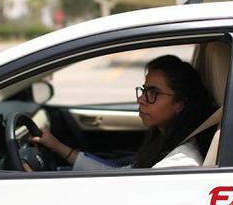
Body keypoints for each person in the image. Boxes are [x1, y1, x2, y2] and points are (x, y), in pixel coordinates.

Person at [29, 54, 216, 170]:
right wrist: (56, 146)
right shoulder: (164, 141)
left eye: (154, 93)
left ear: (180, 104)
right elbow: (120, 174)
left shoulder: (179, 162)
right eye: (144, 90)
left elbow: (121, 192)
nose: (140, 99)